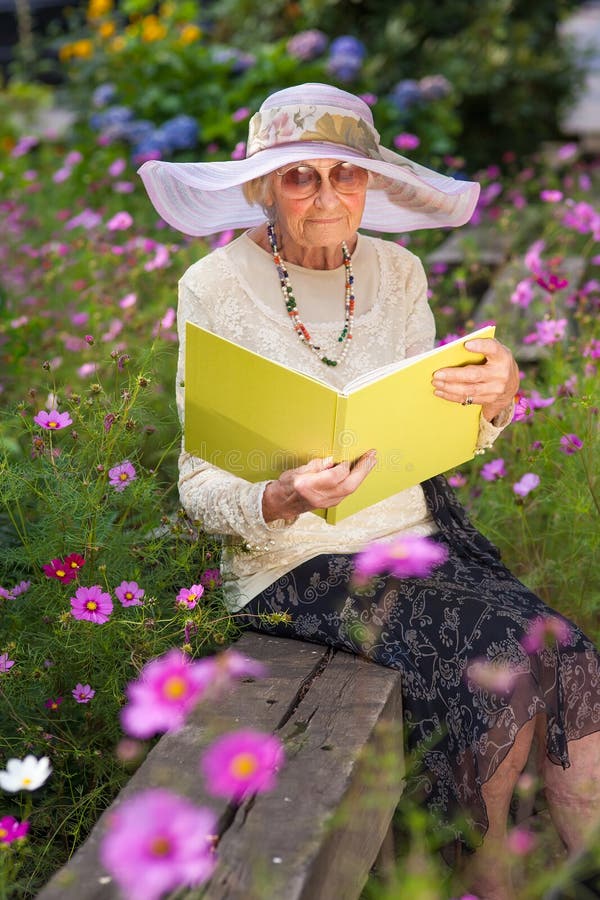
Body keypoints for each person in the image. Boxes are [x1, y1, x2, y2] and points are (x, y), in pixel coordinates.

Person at [139, 83, 600, 900]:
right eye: (299, 177)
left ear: (371, 184)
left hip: (417, 538)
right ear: (261, 187)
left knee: (567, 655)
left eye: (344, 176)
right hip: (293, 563)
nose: (325, 197)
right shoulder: (212, 286)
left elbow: (432, 426)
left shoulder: (399, 270)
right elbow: (199, 489)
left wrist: (494, 401)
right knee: (497, 668)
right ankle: (489, 887)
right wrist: (282, 494)